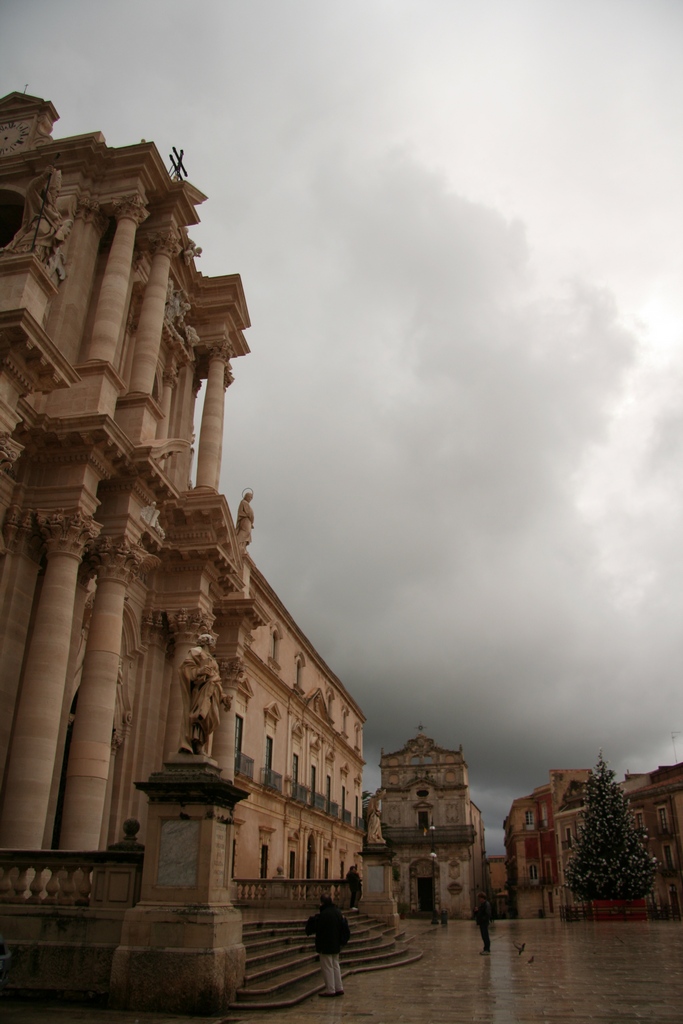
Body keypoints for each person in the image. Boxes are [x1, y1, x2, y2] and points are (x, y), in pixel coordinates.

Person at [177, 634, 227, 754]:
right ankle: (196, 744)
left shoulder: (213, 660)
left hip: (212, 691)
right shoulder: (196, 652)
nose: (215, 643)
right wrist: (199, 671)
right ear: (206, 642)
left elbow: (217, 679)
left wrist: (223, 696)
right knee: (200, 716)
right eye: (213, 641)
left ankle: (200, 743)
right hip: (200, 691)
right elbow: (185, 669)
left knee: (212, 718)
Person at [305, 893, 349, 997]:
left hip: (326, 944)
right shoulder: (338, 912)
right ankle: (339, 987)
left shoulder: (324, 914)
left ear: (322, 903)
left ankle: (330, 989)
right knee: (335, 965)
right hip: (336, 944)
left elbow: (317, 928)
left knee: (327, 967)